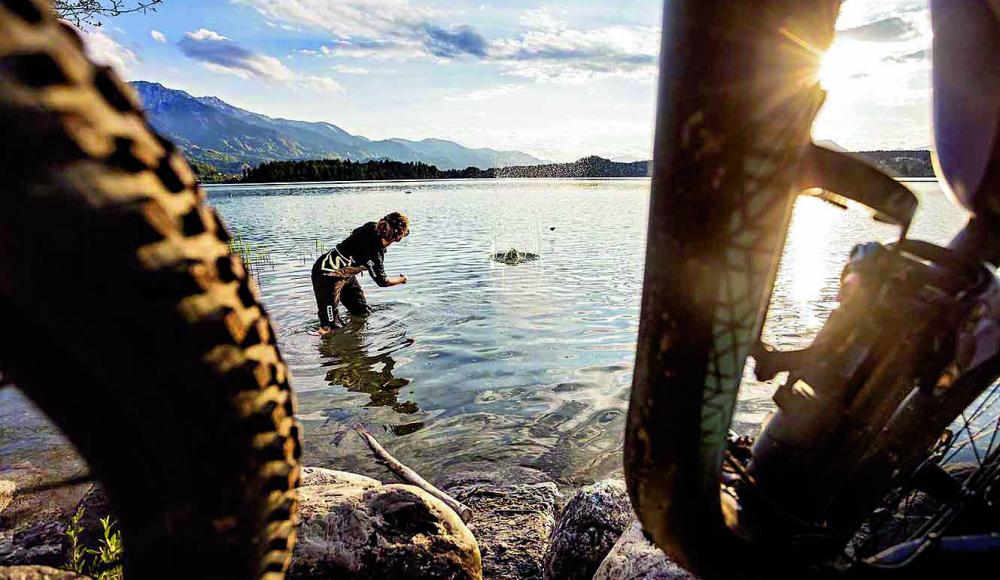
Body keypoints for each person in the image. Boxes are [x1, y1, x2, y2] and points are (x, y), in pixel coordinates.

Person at [312, 212, 409, 334]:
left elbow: (355, 232)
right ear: (398, 238)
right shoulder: (374, 255)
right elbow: (382, 282)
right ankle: (320, 344)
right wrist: (402, 279)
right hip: (325, 276)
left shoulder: (371, 226)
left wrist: (353, 255)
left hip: (346, 275)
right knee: (329, 326)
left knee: (362, 312)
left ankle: (354, 344)